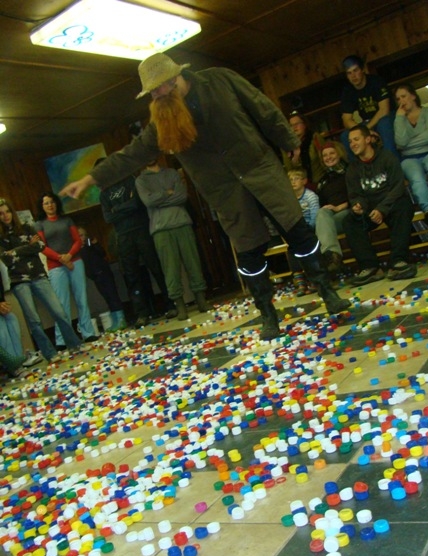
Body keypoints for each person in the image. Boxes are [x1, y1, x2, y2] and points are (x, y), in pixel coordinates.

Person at [60, 52, 350, 340]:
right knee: (249, 254)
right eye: (152, 92)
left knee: (299, 233)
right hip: (226, 192)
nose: (156, 96)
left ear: (174, 78)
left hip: (260, 171)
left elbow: (260, 106)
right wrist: (90, 178)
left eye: (158, 89)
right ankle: (268, 315)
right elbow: (131, 154)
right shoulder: (162, 120)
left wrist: (287, 138)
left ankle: (328, 292)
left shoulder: (220, 80)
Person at [0, 198, 83, 362]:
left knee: (58, 311)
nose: (5, 216)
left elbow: (39, 246)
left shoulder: (26, 227)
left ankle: (74, 344)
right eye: (1, 214)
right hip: (19, 280)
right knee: (34, 320)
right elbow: (6, 258)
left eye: (7, 211)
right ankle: (50, 354)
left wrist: (15, 252)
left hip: (38, 274)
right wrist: (27, 248)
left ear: (12, 212)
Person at [95, 161, 177, 327]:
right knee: (131, 275)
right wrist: (124, 208)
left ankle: (171, 304)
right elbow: (108, 218)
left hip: (142, 230)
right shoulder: (104, 194)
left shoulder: (130, 180)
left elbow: (137, 203)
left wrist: (117, 209)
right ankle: (142, 313)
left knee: (156, 268)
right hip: (123, 236)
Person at [135, 161, 212, 320]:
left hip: (182, 223)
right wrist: (168, 192)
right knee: (170, 269)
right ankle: (180, 306)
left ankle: (201, 300)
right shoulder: (141, 180)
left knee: (193, 263)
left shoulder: (172, 173)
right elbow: (148, 201)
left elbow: (182, 196)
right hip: (160, 229)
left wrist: (160, 198)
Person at [343, 124, 417, 284]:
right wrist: (358, 205)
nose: (353, 144)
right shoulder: (353, 169)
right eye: (350, 141)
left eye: (356, 139)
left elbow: (398, 187)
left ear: (368, 139)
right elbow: (355, 195)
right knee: (349, 221)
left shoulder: (387, 157)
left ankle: (398, 262)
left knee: (404, 206)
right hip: (369, 210)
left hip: (391, 204)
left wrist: (382, 209)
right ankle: (370, 267)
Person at [36, 192, 97, 348]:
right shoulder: (40, 224)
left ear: (56, 203)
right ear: (42, 207)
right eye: (46, 203)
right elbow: (42, 247)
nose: (50, 205)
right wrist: (61, 258)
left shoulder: (67, 220)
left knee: (81, 298)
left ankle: (88, 333)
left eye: (52, 202)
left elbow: (77, 240)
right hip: (55, 266)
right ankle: (62, 339)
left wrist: (69, 256)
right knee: (61, 304)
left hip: (75, 262)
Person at [394, 83, 428, 227]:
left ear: (413, 96)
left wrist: (408, 143)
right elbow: (400, 142)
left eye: (404, 96)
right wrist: (399, 118)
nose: (401, 101)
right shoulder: (398, 118)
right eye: (398, 99)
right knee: (416, 178)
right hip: (409, 157)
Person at [340, 55, 397, 158]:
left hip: (386, 117)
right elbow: (346, 120)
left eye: (355, 70)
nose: (353, 76)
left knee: (384, 124)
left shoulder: (376, 81)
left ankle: (392, 162)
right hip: (366, 122)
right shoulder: (347, 91)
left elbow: (384, 110)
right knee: (345, 135)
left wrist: (365, 129)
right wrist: (364, 130)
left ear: (362, 69)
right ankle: (359, 167)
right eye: (349, 73)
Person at [77, 227, 127, 331]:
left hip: (103, 272)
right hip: (95, 276)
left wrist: (94, 244)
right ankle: (115, 319)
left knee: (112, 295)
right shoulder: (79, 250)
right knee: (107, 297)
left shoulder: (90, 245)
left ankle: (120, 318)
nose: (83, 238)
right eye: (80, 236)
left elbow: (101, 253)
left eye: (84, 235)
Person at [314, 141, 351, 273]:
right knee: (322, 213)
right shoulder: (323, 181)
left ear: (339, 154)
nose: (328, 157)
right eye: (325, 155)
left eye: (332, 153)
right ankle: (333, 256)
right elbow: (322, 205)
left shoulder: (351, 171)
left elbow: (360, 195)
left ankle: (331, 260)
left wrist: (341, 207)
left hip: (350, 211)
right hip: (331, 218)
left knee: (322, 228)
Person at [287, 169, 319, 295]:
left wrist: (307, 229)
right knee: (291, 249)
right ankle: (300, 282)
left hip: (310, 228)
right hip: (296, 231)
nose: (293, 182)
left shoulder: (311, 196)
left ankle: (314, 279)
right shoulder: (289, 199)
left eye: (296, 179)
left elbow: (315, 215)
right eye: (290, 180)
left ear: (304, 181)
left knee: (308, 246)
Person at [282, 112, 325, 188]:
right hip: (299, 185)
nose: (294, 127)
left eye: (297, 124)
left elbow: (324, 159)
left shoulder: (315, 138)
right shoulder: (286, 145)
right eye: (291, 125)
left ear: (305, 124)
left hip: (319, 180)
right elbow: (289, 169)